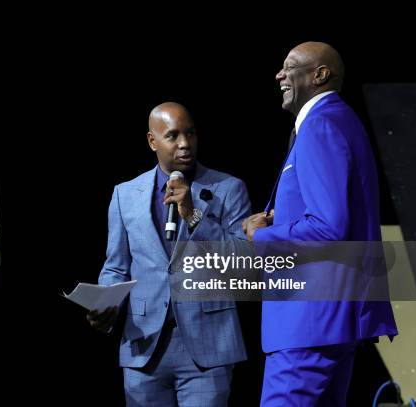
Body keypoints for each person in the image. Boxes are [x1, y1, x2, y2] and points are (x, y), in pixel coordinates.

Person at [243, 42, 398, 406]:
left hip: (307, 323)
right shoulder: (341, 121)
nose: (279, 75)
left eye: (289, 66)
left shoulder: (321, 124)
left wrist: (263, 235)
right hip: (330, 320)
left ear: (319, 75)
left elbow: (329, 227)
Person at [87, 102, 249, 406]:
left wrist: (193, 216)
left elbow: (241, 263)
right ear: (152, 141)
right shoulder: (126, 194)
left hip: (207, 347)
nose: (185, 144)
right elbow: (117, 267)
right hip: (144, 346)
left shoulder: (229, 188)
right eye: (173, 136)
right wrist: (105, 303)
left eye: (190, 133)